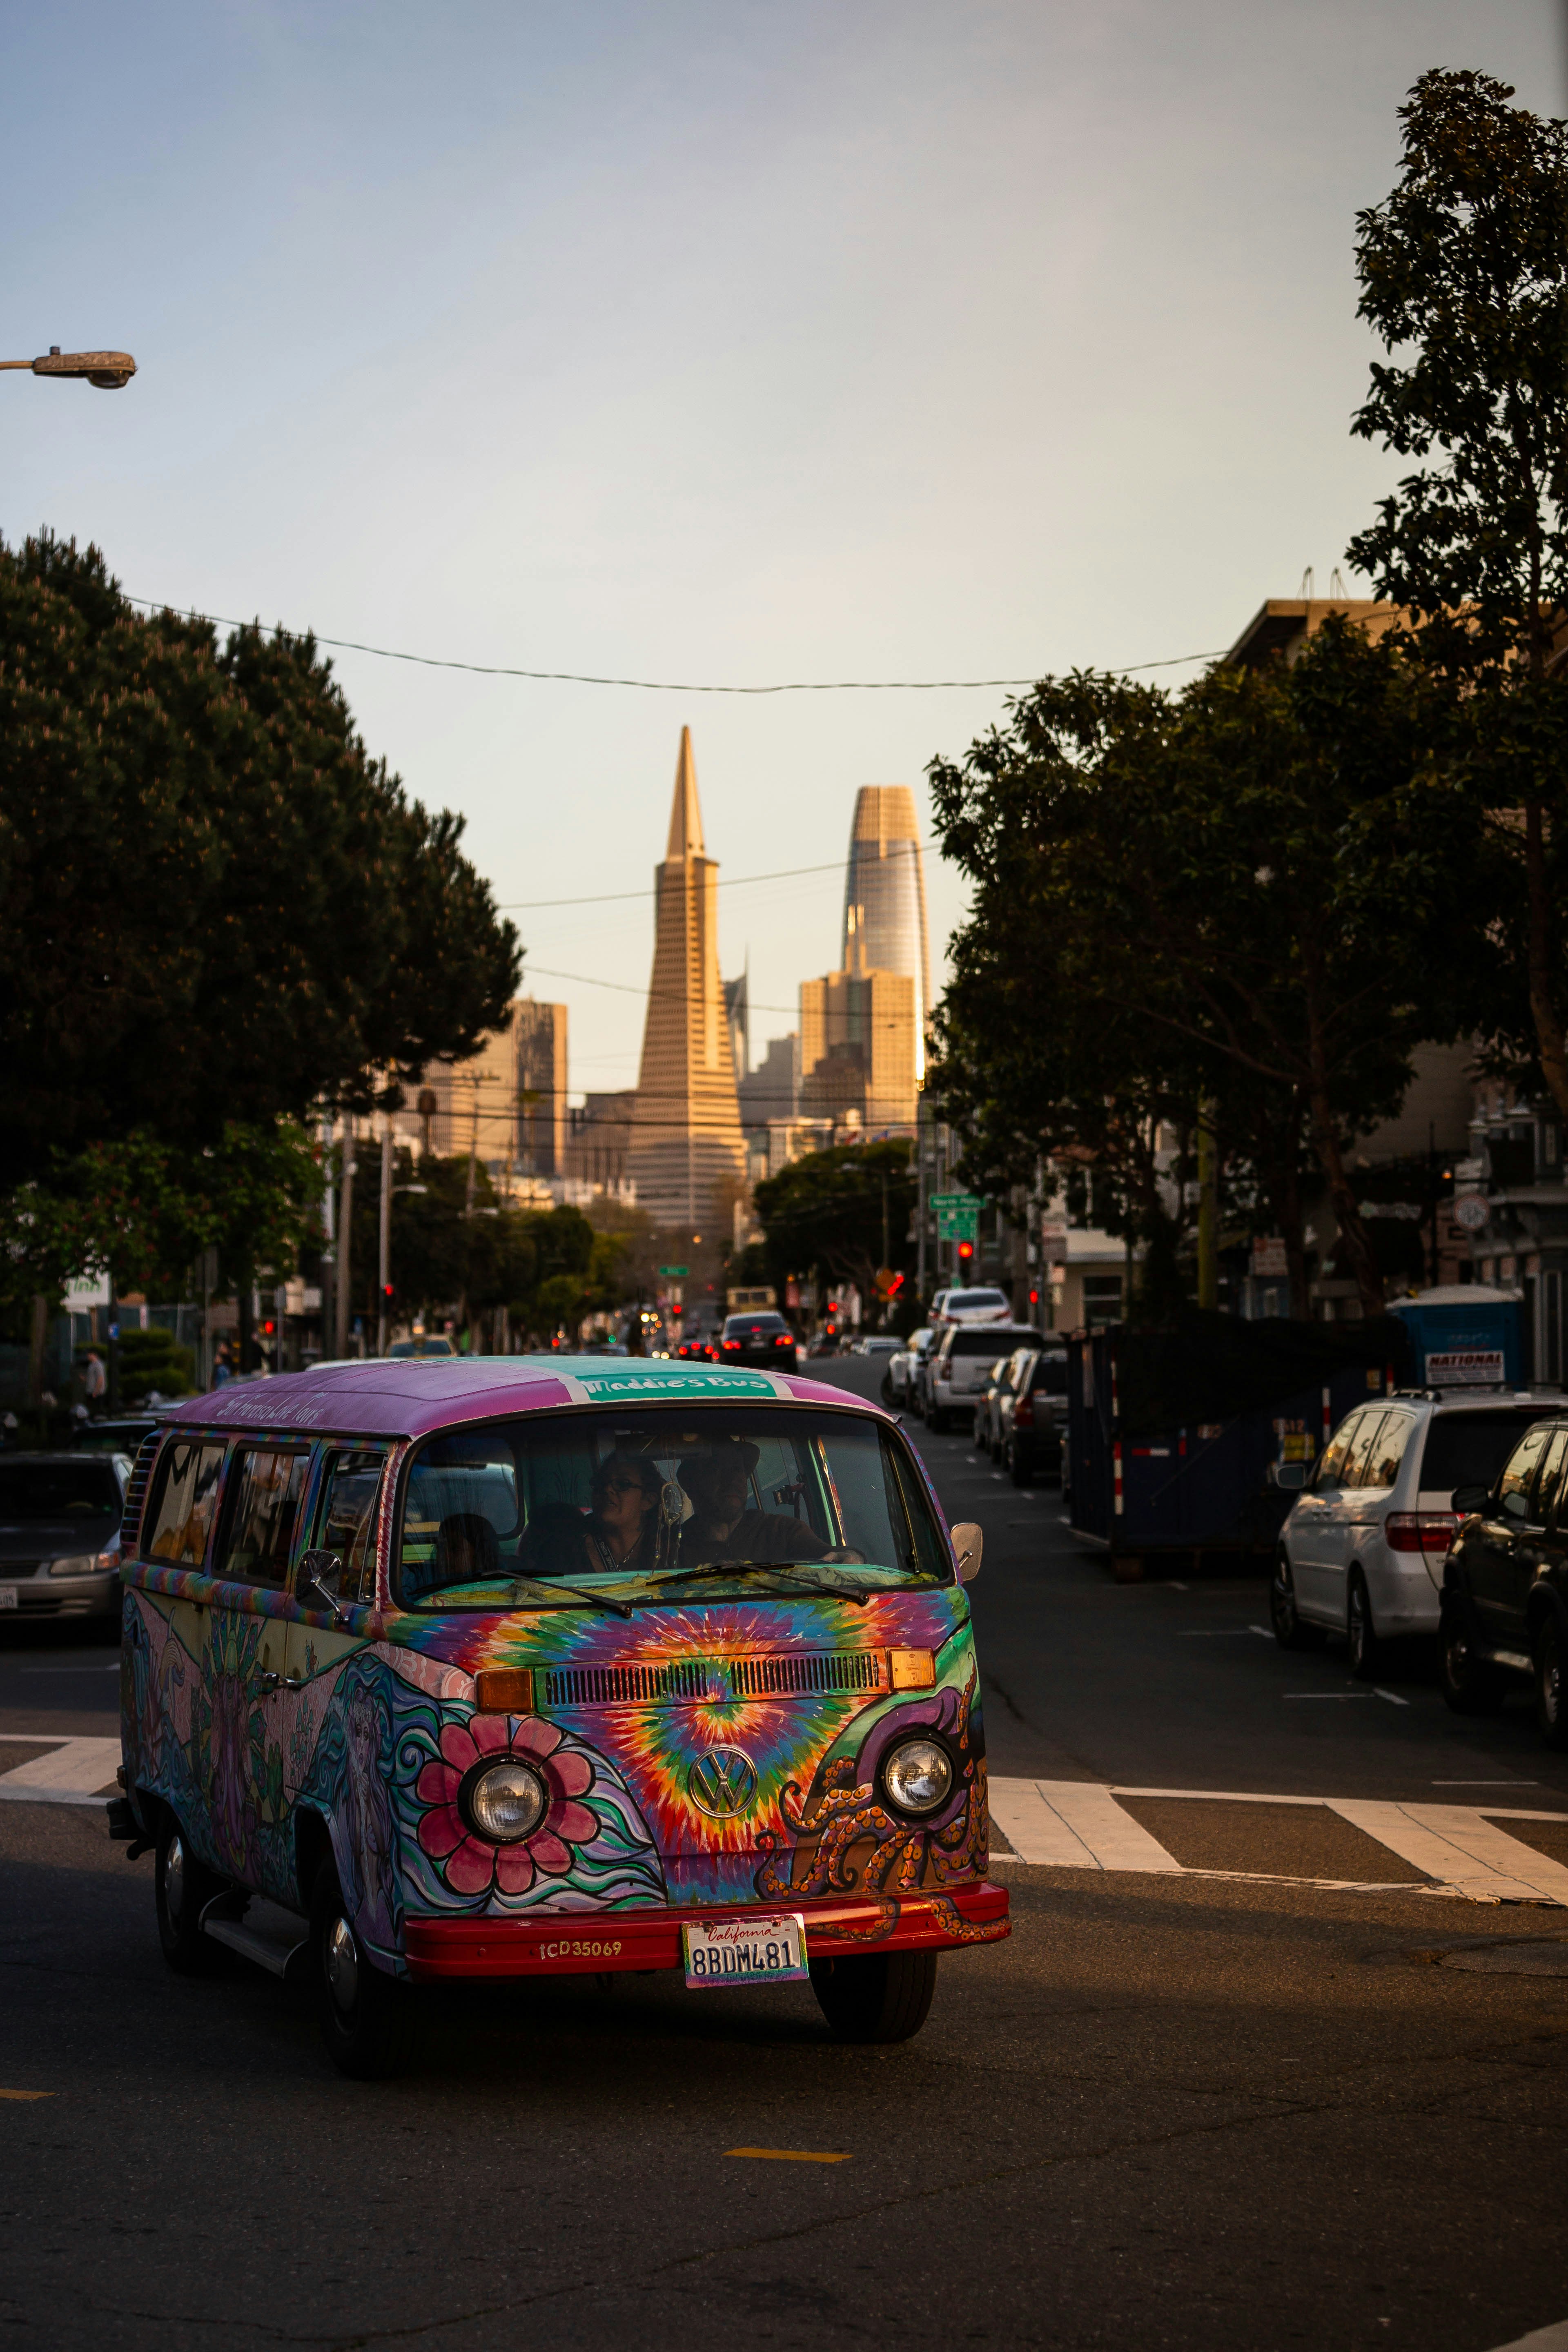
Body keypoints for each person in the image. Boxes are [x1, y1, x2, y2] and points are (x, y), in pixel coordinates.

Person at [677, 1439, 834, 1567]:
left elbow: (831, 1557)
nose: (732, 1480)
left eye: (738, 1469)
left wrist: (853, 1555)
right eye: (716, 1469)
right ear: (692, 1486)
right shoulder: (671, 1545)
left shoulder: (782, 1531)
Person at [516, 1451, 664, 1580]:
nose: (607, 1489)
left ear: (648, 1501)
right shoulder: (564, 1551)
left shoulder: (671, 1547)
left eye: (622, 1483)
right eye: (601, 1482)